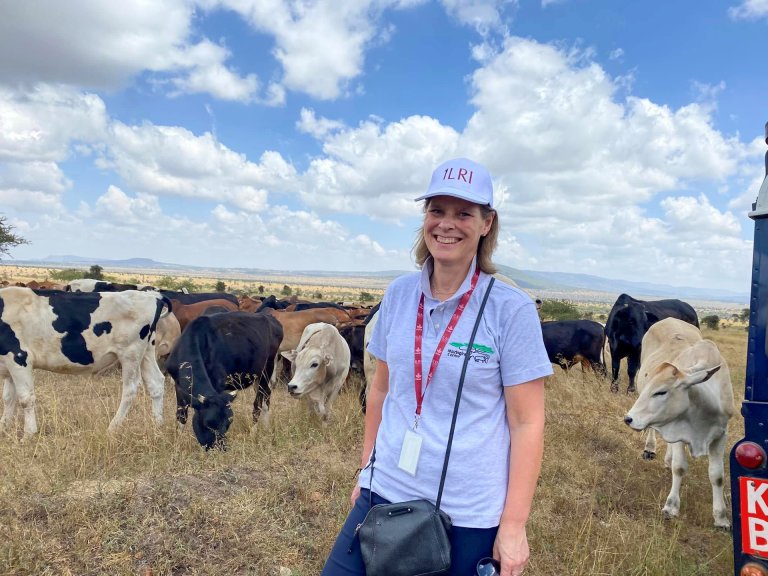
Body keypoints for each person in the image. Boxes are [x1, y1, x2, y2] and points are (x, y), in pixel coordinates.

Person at [322, 158, 552, 576]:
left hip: (466, 513)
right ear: (424, 218)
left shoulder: (510, 310)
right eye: (437, 210)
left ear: (486, 223)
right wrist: (366, 466)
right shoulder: (399, 294)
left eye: (464, 213)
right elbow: (380, 390)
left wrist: (514, 525)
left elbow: (527, 422)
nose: (447, 224)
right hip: (385, 490)